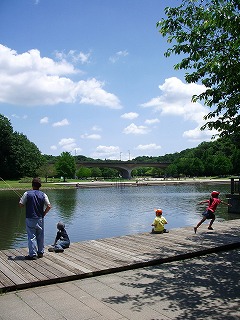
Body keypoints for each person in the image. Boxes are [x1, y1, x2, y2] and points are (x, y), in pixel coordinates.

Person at [19, 177, 51, 260]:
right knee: (40, 236)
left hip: (30, 218)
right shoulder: (44, 194)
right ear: (40, 186)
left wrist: (20, 201)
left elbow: (21, 205)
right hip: (40, 218)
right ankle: (40, 252)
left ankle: (32, 254)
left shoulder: (27, 193)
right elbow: (49, 206)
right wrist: (44, 213)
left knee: (31, 236)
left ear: (32, 185)